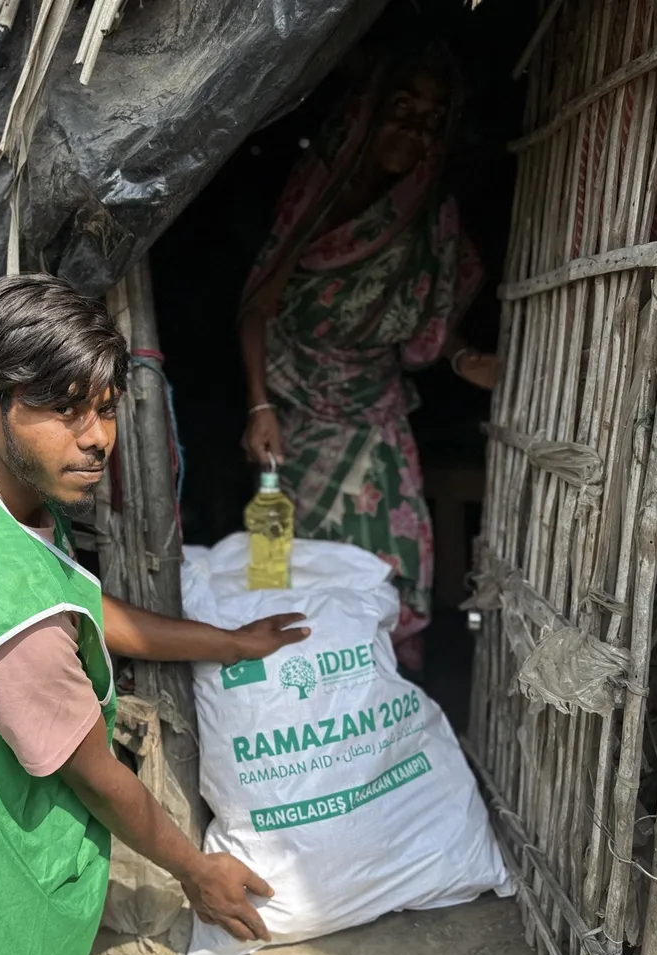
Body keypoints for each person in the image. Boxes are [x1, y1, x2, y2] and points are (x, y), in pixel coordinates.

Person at [0, 274, 309, 955]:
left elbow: (72, 602)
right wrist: (196, 871)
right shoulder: (22, 631)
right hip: (0, 908)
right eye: (65, 412)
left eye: (105, 408)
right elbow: (99, 780)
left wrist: (226, 643)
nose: (98, 439)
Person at [239, 44, 497, 675]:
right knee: (289, 567)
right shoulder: (317, 194)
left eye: (430, 119)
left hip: (376, 415)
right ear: (367, 112)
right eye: (401, 107)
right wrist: (260, 406)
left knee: (393, 566)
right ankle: (307, 693)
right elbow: (255, 309)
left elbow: (431, 322)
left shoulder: (430, 216)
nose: (412, 128)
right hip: (293, 418)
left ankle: (384, 698)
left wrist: (464, 357)